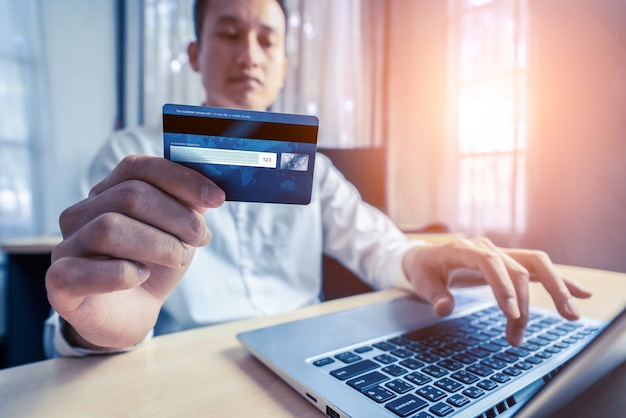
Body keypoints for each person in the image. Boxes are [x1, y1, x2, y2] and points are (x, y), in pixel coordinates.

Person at [44, 0, 591, 357]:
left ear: (284, 62)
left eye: (267, 40)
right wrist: (91, 332)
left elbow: (379, 246)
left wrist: (419, 258)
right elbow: (83, 300)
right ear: (194, 52)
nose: (249, 57)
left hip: (303, 361)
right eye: (229, 35)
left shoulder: (317, 172)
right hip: (177, 366)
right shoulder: (129, 159)